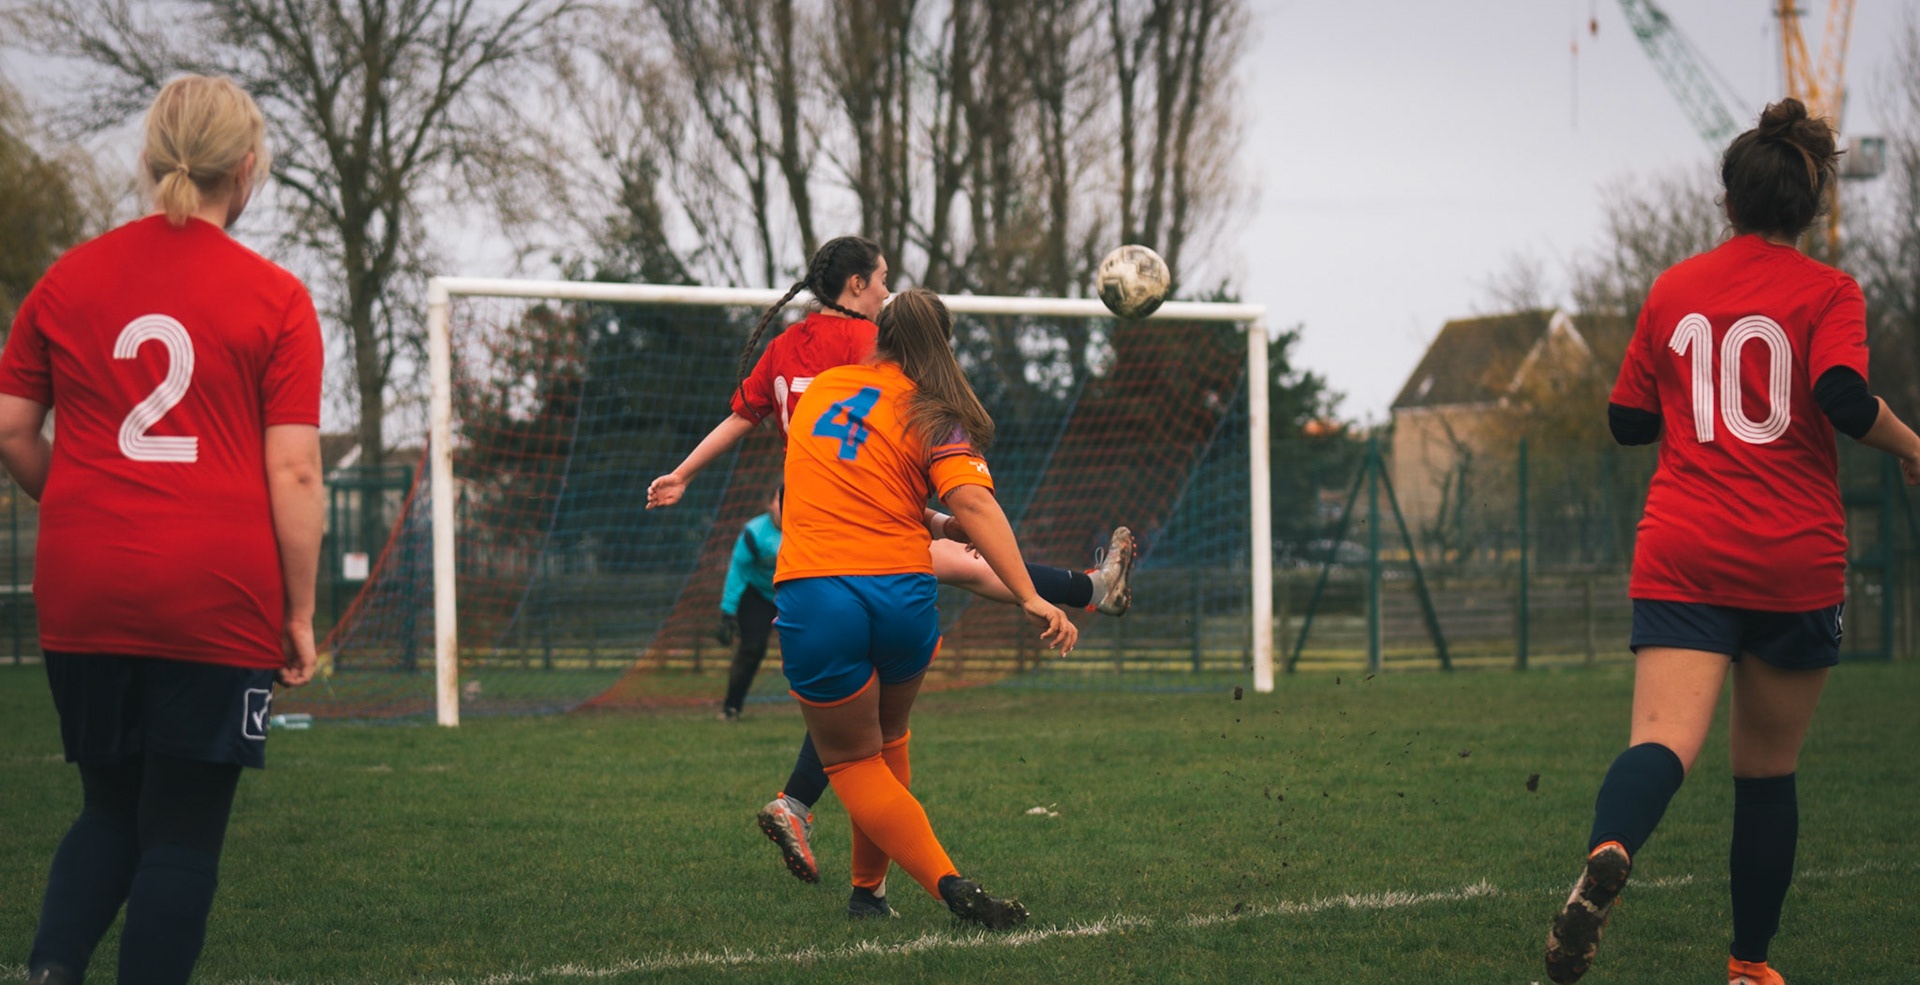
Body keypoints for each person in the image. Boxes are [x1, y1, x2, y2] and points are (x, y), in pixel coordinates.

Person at [1544, 98, 1920, 985]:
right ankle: (1749, 965)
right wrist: (1912, 446)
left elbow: (1627, 419)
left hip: (1685, 548)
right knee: (1767, 771)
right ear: (1810, 205)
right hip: (1794, 557)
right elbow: (1842, 396)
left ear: (1728, 199)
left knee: (1662, 743)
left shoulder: (1675, 289)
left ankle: (1611, 846)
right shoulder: (1831, 292)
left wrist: (1690, 402)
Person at [648, 235, 1132, 883]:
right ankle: (1088, 589)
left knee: (877, 657)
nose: (885, 291)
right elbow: (889, 444)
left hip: (808, 521)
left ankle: (818, 830)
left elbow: (743, 417)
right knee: (964, 570)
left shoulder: (786, 346)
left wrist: (682, 473)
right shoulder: (868, 346)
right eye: (881, 279)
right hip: (864, 526)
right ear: (856, 286)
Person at [0, 76, 324, 985]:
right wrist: (299, 614)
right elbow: (296, 471)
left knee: (107, 808)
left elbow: (12, 429)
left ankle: (51, 969)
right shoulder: (276, 297)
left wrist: (80, 507)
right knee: (182, 827)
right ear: (247, 169)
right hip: (215, 591)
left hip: (83, 585)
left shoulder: (66, 280)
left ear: (147, 160)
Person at [775, 286, 1073, 925]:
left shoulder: (822, 390)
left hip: (817, 589)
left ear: (879, 336)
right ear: (943, 345)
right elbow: (976, 503)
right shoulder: (934, 412)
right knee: (888, 741)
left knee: (854, 761)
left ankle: (948, 883)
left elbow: (832, 483)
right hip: (901, 593)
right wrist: (1028, 595)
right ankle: (868, 895)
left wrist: (937, 521)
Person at [719, 487, 783, 721]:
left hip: (794, 594)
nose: (784, 505)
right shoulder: (754, 533)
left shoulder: (807, 530)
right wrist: (727, 613)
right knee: (752, 649)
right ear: (770, 504)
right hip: (759, 595)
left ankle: (826, 706)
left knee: (815, 647)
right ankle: (731, 707)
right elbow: (738, 571)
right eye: (779, 499)